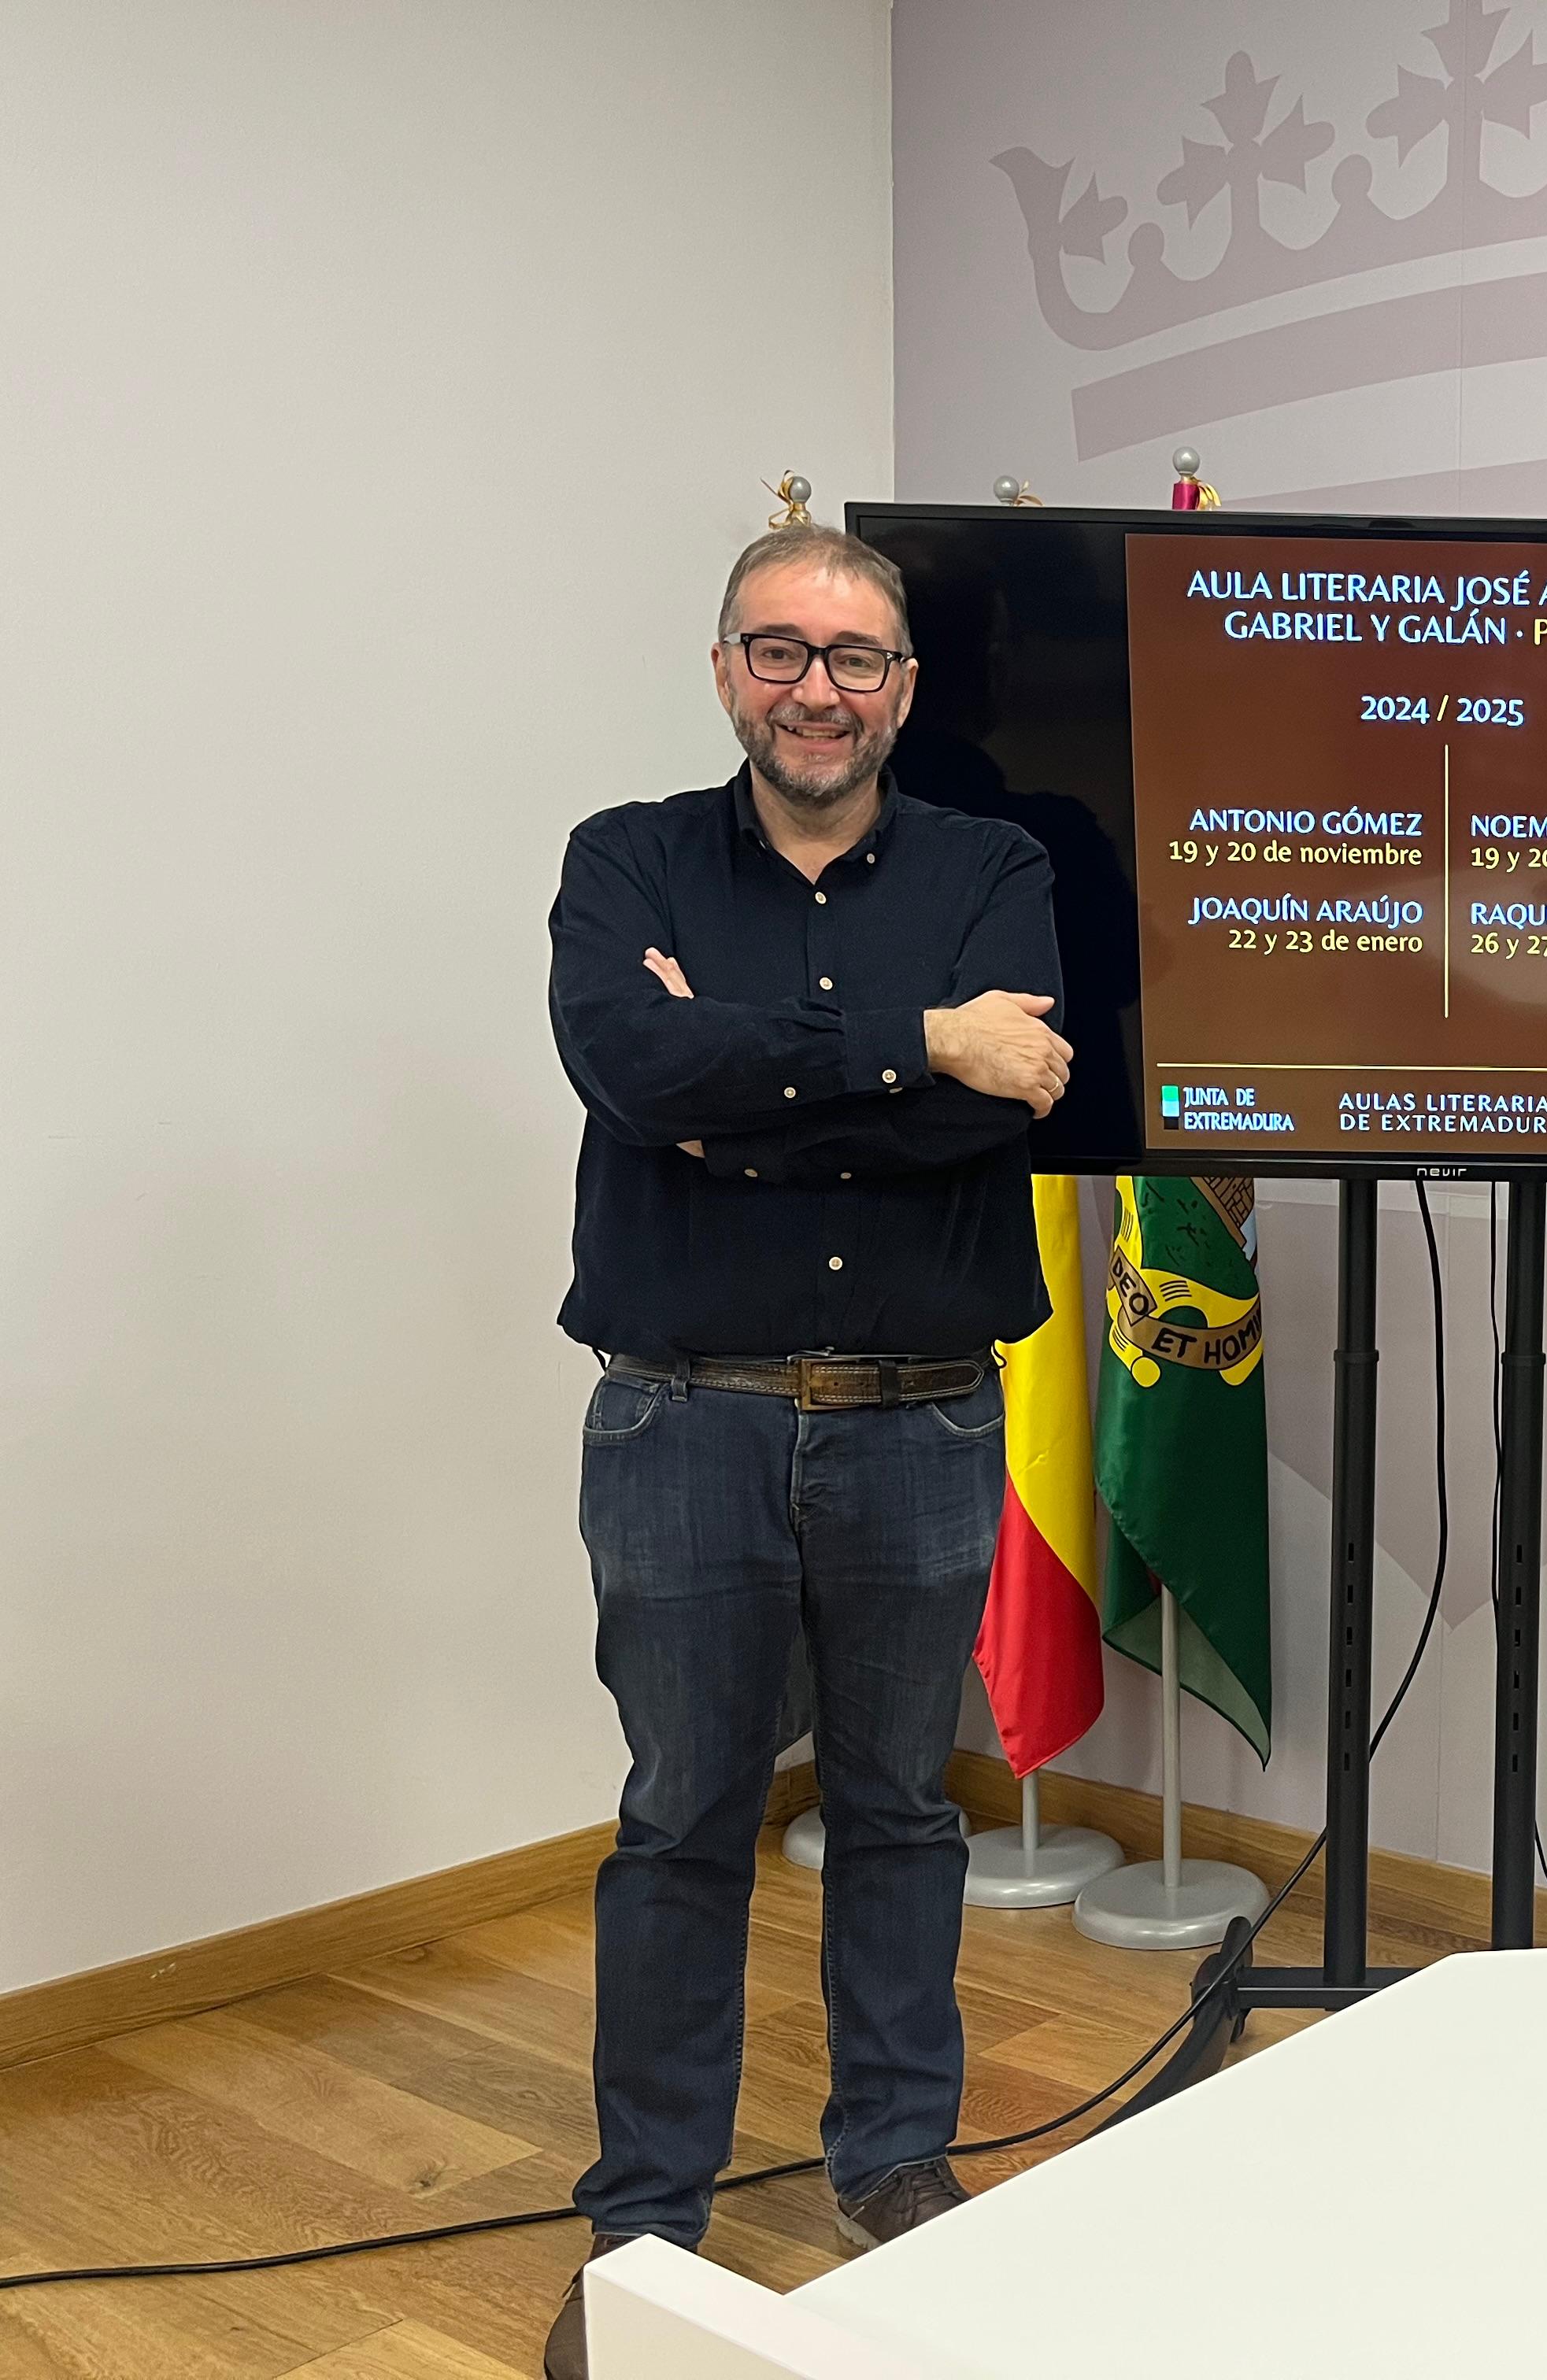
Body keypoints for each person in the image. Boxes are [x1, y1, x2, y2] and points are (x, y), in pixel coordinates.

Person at [539, 525, 1075, 2377]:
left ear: (903, 689)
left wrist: (743, 1081)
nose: (817, 688)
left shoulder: (998, 868)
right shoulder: (627, 860)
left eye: (854, 657)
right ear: (724, 673)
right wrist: (919, 1044)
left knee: (903, 1806)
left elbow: (989, 1127)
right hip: (682, 1415)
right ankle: (645, 2223)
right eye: (779, 650)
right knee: (683, 1813)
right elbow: (632, 1070)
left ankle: (895, 2165)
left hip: (920, 1422)